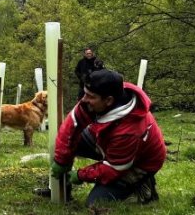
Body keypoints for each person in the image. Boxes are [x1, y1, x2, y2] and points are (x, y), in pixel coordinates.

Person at [51, 69, 166, 206]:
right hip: (108, 144)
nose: (84, 99)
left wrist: (81, 175)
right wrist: (61, 160)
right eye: (85, 93)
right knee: (70, 142)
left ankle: (143, 189)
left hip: (137, 163)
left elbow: (114, 168)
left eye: (91, 96)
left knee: (96, 203)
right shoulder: (98, 97)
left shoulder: (130, 131)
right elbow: (72, 124)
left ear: (108, 100)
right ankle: (62, 191)